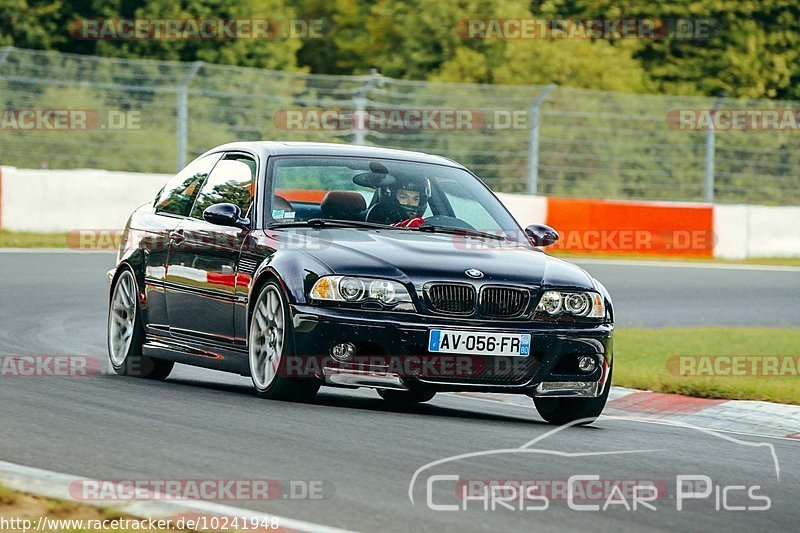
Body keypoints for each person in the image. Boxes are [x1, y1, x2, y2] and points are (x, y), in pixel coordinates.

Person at [366, 175, 431, 226]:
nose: (410, 203)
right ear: (390, 197)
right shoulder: (376, 220)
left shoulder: (427, 227)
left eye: (415, 199)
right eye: (403, 198)